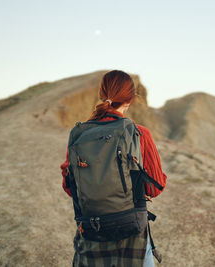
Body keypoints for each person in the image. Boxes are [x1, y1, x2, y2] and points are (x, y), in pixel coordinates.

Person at [60, 70, 167, 267]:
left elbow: (70, 187)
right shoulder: (139, 133)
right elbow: (155, 187)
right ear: (132, 98)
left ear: (102, 94)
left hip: (91, 232)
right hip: (132, 231)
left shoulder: (78, 134)